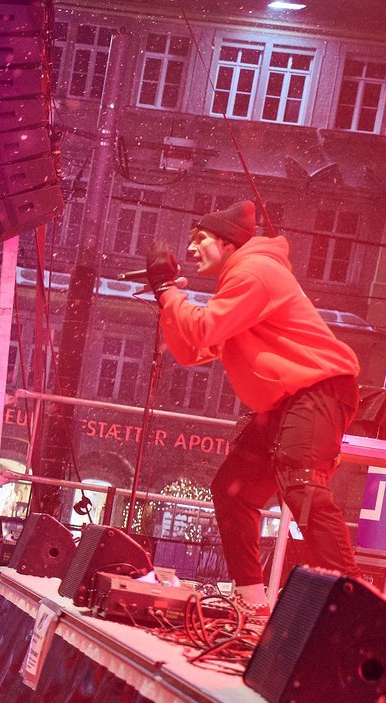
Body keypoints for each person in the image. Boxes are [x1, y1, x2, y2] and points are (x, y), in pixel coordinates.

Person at [145, 200, 362, 617]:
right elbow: (192, 351)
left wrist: (168, 291)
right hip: (289, 401)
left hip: (318, 391)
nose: (190, 248)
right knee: (233, 491)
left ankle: (357, 605)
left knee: (301, 484)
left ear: (228, 242)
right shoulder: (241, 278)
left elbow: (203, 328)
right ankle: (251, 601)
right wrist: (165, 296)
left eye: (200, 238)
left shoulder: (253, 272)